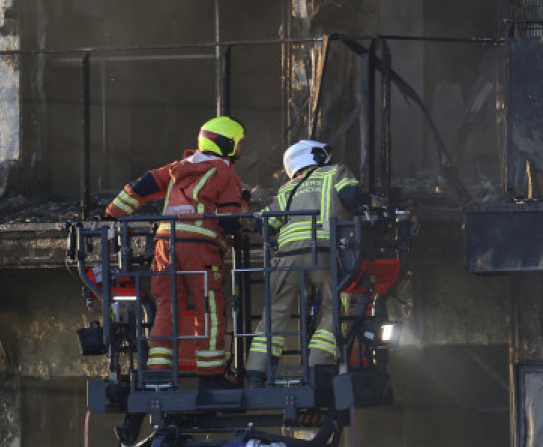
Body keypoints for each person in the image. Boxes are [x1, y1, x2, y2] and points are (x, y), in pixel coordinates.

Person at [104, 116, 249, 388]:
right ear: (225, 143)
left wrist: (113, 214)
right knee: (209, 310)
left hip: (164, 245)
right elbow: (230, 220)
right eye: (238, 144)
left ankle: (158, 374)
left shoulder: (176, 168)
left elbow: (141, 186)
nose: (240, 150)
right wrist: (244, 213)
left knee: (167, 308)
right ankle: (211, 377)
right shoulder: (224, 172)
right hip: (201, 248)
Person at [245, 139, 370, 388]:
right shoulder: (336, 172)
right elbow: (353, 196)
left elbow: (266, 224)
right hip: (323, 254)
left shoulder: (286, 189)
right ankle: (317, 366)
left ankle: (257, 375)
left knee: (275, 313)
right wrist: (374, 205)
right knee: (332, 308)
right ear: (314, 156)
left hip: (287, 257)